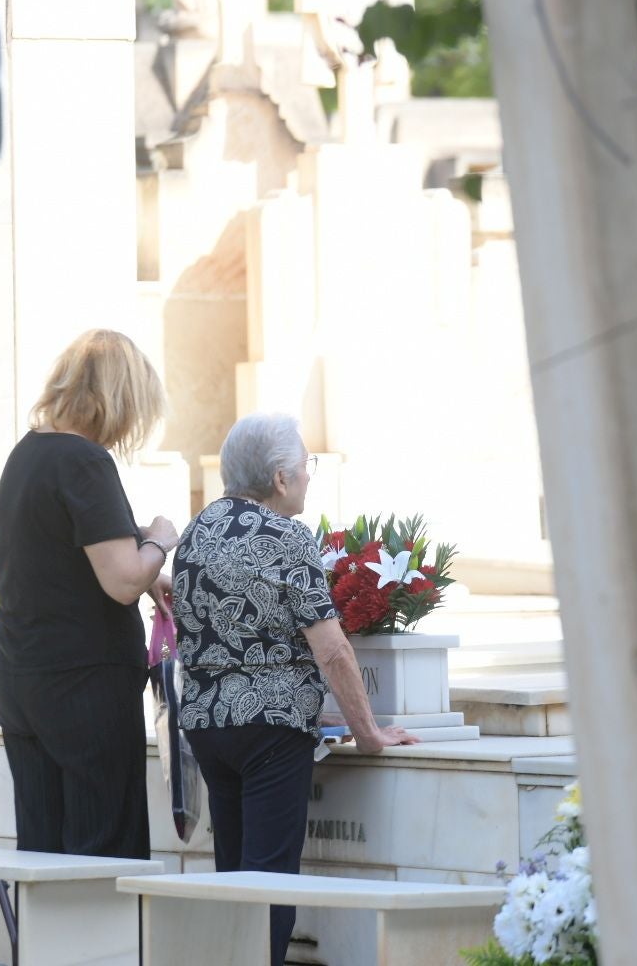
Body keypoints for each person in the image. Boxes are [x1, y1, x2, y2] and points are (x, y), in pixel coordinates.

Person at [171, 412, 419, 966]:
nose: (309, 475)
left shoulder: (197, 530)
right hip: (271, 728)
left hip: (209, 725)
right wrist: (370, 733)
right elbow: (331, 648)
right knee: (270, 881)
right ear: (281, 479)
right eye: (306, 465)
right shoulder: (286, 537)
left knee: (234, 877)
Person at [0, 329, 179, 860]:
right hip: (85, 688)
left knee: (43, 852)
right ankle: (102, 950)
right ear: (119, 400)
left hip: (23, 680)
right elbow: (122, 581)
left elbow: (64, 550)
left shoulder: (28, 454)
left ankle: (43, 949)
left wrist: (144, 564)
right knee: (102, 855)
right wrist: (160, 542)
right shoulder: (84, 461)